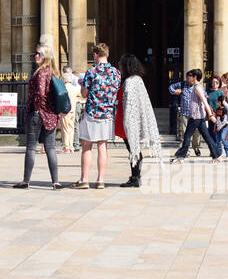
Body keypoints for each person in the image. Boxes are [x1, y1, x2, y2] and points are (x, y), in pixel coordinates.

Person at [15, 42, 62, 190]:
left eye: (39, 54)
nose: (35, 56)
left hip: (38, 115)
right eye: (36, 53)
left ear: (45, 57)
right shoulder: (54, 72)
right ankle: (55, 181)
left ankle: (25, 181)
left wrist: (38, 109)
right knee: (51, 148)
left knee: (31, 148)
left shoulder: (41, 72)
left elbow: (41, 94)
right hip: (52, 116)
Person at [77, 42, 122, 186]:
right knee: (103, 146)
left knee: (87, 146)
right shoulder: (116, 72)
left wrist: (82, 83)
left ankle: (84, 180)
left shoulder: (91, 72)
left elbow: (84, 94)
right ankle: (100, 180)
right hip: (108, 113)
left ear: (95, 55)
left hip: (92, 112)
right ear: (107, 55)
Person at [118, 54, 163, 186]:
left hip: (130, 121)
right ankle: (135, 177)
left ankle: (135, 177)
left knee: (133, 149)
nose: (119, 67)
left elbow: (130, 105)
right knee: (133, 149)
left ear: (126, 66)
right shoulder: (137, 80)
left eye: (121, 64)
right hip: (132, 120)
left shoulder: (130, 82)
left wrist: (129, 123)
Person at [173, 69, 221, 162]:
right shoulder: (199, 87)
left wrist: (210, 115)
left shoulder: (197, 88)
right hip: (199, 116)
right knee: (207, 137)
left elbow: (204, 102)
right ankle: (217, 155)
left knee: (187, 136)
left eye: (190, 76)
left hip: (196, 116)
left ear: (194, 77)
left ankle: (181, 156)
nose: (188, 78)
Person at [206, 75, 228, 158]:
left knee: (218, 134)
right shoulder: (207, 92)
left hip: (219, 116)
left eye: (216, 82)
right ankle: (213, 150)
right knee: (211, 133)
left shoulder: (220, 93)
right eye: (213, 82)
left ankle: (218, 151)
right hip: (210, 115)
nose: (214, 84)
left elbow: (223, 105)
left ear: (219, 83)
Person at [60, 66, 81, 154]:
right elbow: (80, 96)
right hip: (73, 109)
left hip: (65, 111)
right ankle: (71, 146)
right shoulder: (75, 88)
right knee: (71, 128)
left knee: (65, 129)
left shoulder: (62, 88)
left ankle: (66, 147)